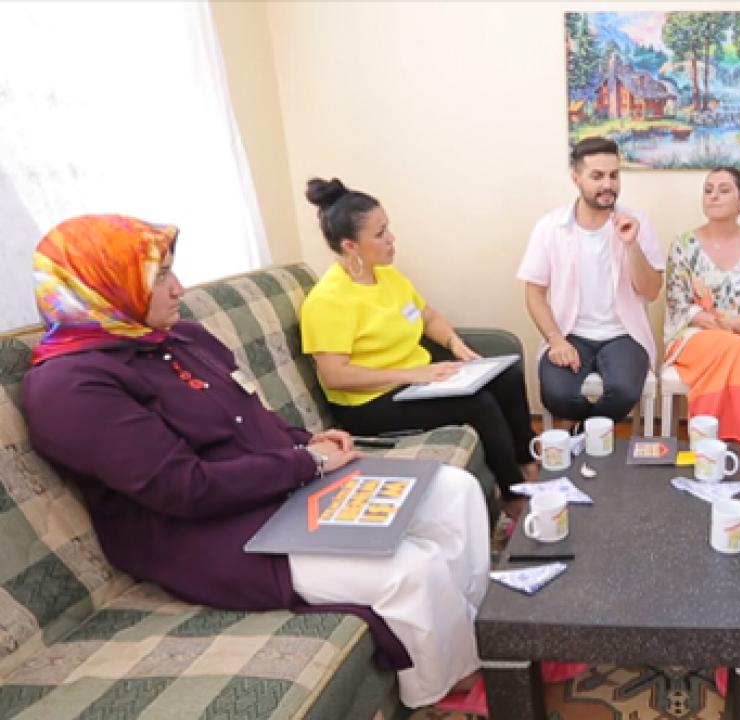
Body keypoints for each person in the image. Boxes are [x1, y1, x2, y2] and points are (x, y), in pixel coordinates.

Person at [22, 215, 492, 709]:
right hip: (214, 537)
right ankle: (448, 687)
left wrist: (306, 441)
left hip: (286, 490)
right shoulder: (71, 387)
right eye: (158, 277)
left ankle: (477, 628)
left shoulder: (182, 338)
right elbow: (184, 488)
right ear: (101, 288)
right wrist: (307, 462)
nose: (179, 288)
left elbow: (248, 418)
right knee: (411, 568)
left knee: (453, 489)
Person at [299, 178, 537, 516]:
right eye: (380, 234)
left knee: (507, 377)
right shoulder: (328, 300)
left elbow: (427, 316)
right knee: (478, 404)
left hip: (415, 382)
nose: (391, 239)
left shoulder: (387, 276)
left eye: (388, 228)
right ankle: (514, 501)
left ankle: (529, 467)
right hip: (369, 403)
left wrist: (454, 343)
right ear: (351, 246)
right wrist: (414, 374)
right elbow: (335, 375)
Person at [518, 137, 664, 425]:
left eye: (614, 175)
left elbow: (652, 291)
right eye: (597, 176)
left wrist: (631, 245)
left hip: (624, 334)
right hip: (570, 332)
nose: (608, 185)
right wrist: (556, 340)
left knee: (623, 391)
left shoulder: (637, 223)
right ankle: (593, 440)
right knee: (556, 395)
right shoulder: (550, 227)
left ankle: (579, 440)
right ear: (576, 178)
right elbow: (534, 293)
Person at [665, 167, 740, 476]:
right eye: (708, 190)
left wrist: (737, 326)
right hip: (693, 338)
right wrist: (728, 325)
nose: (714, 196)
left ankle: (706, 454)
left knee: (735, 350)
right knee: (734, 348)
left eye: (724, 190)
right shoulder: (683, 244)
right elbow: (678, 304)